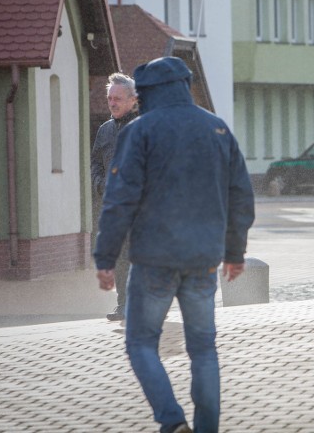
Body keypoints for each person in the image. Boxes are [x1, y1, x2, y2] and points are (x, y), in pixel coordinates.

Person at [94, 56, 254, 433]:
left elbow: (120, 200)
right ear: (184, 86)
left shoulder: (140, 131)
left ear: (146, 93)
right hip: (203, 258)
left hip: (153, 259)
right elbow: (241, 195)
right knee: (203, 349)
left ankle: (171, 419)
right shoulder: (216, 129)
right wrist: (235, 251)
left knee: (140, 343)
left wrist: (105, 256)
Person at [91, 72, 139, 321]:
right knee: (120, 259)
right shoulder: (105, 131)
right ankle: (123, 306)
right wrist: (102, 186)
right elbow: (95, 166)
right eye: (110, 98)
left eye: (118, 98)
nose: (112, 102)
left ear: (133, 100)